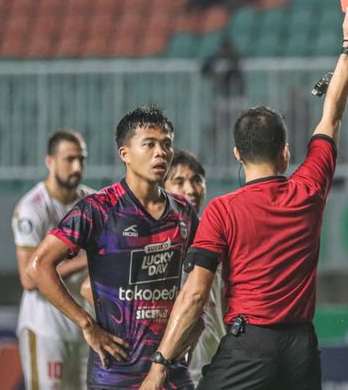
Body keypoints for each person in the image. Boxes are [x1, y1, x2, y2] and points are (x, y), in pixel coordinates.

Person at [138, 5, 348, 390]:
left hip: (250, 346)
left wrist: (159, 365)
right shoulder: (309, 188)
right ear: (286, 152)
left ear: (236, 154)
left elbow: (196, 293)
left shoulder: (221, 211)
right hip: (301, 347)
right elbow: (333, 113)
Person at [27, 106, 199, 389]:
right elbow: (38, 265)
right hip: (115, 374)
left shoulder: (183, 211)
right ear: (125, 154)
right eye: (150, 144)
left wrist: (198, 321)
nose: (161, 152)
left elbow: (202, 278)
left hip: (170, 372)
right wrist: (86, 324)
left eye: (166, 144)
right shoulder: (98, 209)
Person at [13, 129, 93, 390]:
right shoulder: (33, 207)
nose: (77, 166)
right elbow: (29, 277)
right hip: (45, 327)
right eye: (69, 159)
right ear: (50, 162)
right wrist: (86, 261)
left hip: (83, 327)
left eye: (81, 159)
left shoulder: (91, 203)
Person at [164, 150, 226, 385]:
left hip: (217, 370)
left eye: (197, 180)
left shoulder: (218, 238)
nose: (190, 189)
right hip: (173, 373)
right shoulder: (151, 243)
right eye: (179, 182)